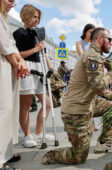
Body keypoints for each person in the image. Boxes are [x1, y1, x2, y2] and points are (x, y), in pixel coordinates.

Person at [42, 27, 112, 164]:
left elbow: (98, 89)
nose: (111, 43)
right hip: (75, 112)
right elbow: (99, 86)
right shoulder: (92, 56)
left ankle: (104, 143)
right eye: (109, 39)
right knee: (79, 157)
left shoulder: (96, 56)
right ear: (99, 39)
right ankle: (53, 155)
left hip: (87, 105)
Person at [13, 4, 54, 148]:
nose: (37, 20)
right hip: (26, 67)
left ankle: (38, 132)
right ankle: (27, 135)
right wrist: (35, 48)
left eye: (38, 17)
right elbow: (16, 55)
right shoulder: (19, 33)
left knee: (48, 104)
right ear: (26, 15)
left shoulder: (36, 34)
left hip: (39, 68)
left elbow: (43, 53)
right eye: (34, 16)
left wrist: (50, 69)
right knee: (26, 105)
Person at [0, 0, 29, 169]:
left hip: (7, 64)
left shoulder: (3, 18)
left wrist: (19, 61)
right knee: (3, 109)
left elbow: (10, 43)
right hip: (3, 62)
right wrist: (17, 62)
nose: (12, 4)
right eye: (9, 0)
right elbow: (4, 44)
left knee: (8, 109)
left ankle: (6, 152)